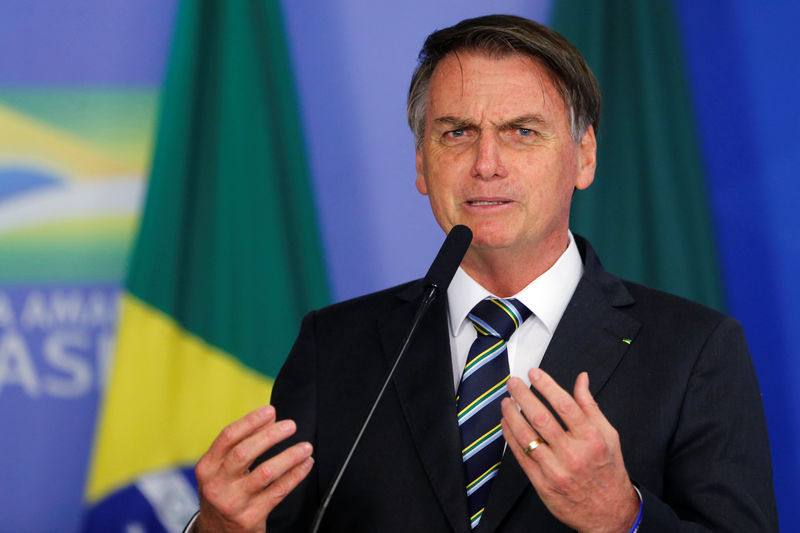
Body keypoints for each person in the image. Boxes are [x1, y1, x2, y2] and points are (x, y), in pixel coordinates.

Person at [190, 15, 778, 532]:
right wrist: (219, 528)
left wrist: (622, 518)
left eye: (522, 132)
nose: (486, 165)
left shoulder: (694, 350)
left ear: (585, 156)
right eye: (456, 133)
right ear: (422, 164)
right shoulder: (335, 345)